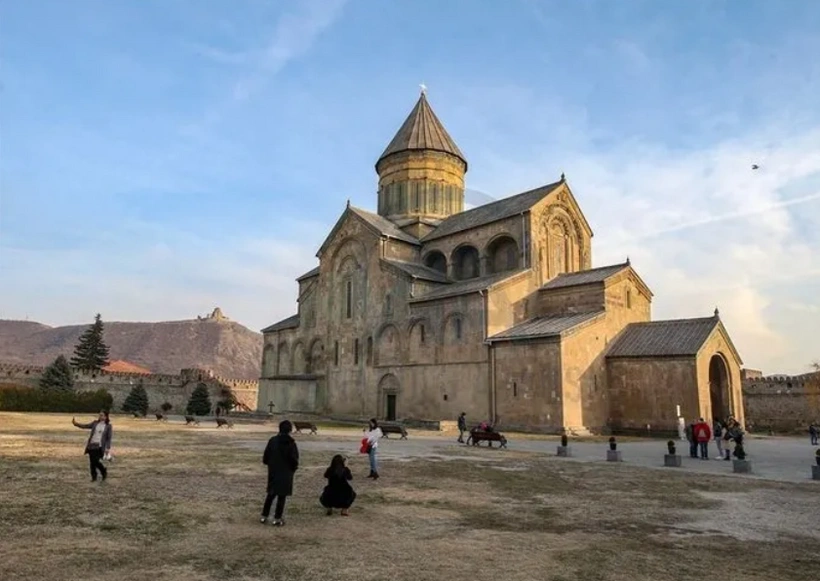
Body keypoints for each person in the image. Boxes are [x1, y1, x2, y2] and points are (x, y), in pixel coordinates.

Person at [260, 420, 299, 526]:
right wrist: (293, 468)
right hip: (286, 471)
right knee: (282, 496)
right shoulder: (291, 443)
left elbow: (266, 456)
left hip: (273, 470)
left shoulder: (272, 440)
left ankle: (264, 516)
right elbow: (294, 459)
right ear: (290, 430)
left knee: (271, 494)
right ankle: (277, 518)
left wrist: (269, 464)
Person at [72, 411, 112, 482]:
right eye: (99, 415)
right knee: (92, 463)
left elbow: (109, 438)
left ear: (106, 417)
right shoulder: (95, 423)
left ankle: (103, 471)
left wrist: (107, 448)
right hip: (92, 445)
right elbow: (85, 426)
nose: (100, 417)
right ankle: (94, 477)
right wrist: (76, 424)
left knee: (95, 461)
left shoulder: (108, 426)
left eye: (102, 415)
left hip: (99, 446)